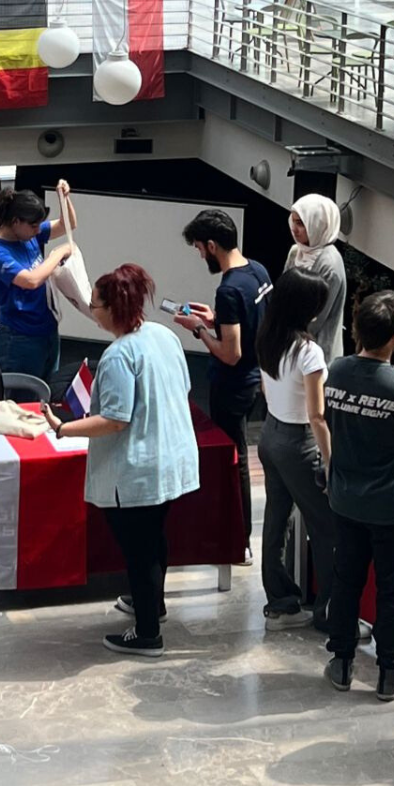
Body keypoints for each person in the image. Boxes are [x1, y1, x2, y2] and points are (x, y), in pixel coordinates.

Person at [44, 265, 197, 656]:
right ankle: (152, 604)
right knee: (153, 538)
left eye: (94, 305)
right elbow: (183, 387)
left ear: (112, 308)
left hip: (138, 469)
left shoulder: (117, 356)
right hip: (169, 457)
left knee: (139, 550)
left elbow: (114, 419)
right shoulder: (163, 335)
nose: (92, 311)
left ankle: (147, 633)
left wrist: (63, 428)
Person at [320, 291, 394, 702]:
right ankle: (391, 673)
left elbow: (328, 416)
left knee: (345, 581)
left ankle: (341, 663)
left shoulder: (335, 371)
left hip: (345, 501)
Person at [175, 208, 271, 547]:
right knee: (238, 455)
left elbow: (231, 353)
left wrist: (198, 329)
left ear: (212, 245)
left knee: (234, 458)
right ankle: (236, 533)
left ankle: (236, 537)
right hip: (257, 380)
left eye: (200, 248)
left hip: (233, 387)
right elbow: (252, 324)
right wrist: (215, 319)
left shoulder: (229, 289)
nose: (201, 255)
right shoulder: (258, 271)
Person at [251, 268, 336, 633]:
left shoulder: (267, 336)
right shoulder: (309, 352)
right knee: (327, 527)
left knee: (276, 522)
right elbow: (317, 416)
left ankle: (281, 604)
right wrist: (330, 463)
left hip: (270, 434)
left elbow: (265, 388)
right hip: (299, 442)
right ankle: (330, 611)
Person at [0, 180, 77, 383]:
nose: (37, 231)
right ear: (16, 221)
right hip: (20, 338)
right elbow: (31, 280)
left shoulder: (27, 234)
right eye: (33, 226)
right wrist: (58, 253)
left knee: (49, 393)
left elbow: (68, 224)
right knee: (24, 397)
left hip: (47, 330)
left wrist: (64, 198)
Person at [287, 194, 349, 362]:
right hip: (290, 345)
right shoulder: (296, 251)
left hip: (317, 354)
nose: (294, 229)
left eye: (301, 223)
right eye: (294, 222)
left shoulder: (330, 265)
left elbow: (315, 320)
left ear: (318, 224)